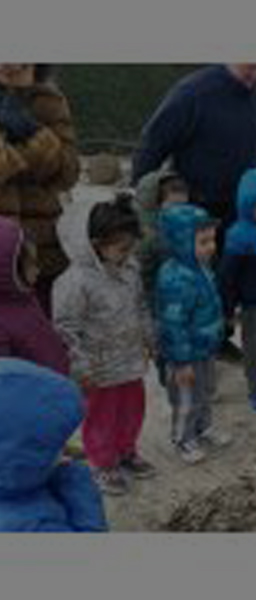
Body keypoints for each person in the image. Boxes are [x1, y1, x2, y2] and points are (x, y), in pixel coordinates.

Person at [132, 64, 256, 363]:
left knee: (234, 282)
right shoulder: (194, 94)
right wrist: (144, 205)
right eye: (248, 63)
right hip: (197, 211)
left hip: (239, 214)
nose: (254, 70)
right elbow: (153, 144)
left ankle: (223, 340)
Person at [53, 192, 157, 496]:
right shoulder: (75, 282)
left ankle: (126, 451)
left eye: (130, 247)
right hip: (98, 368)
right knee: (101, 416)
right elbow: (66, 329)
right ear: (96, 244)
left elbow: (140, 306)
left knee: (132, 409)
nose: (127, 253)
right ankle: (102, 462)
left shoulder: (130, 269)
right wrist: (81, 366)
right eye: (121, 248)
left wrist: (149, 337)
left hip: (130, 359)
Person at [0, 64, 81, 318]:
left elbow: (69, 172)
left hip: (44, 250)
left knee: (41, 329)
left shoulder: (50, 99)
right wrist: (36, 149)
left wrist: (34, 132)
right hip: (1, 247)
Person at [155, 204, 231, 465]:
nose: (211, 247)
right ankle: (183, 439)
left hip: (204, 346)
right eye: (203, 242)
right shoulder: (175, 279)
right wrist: (181, 362)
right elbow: (173, 325)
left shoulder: (201, 268)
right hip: (186, 355)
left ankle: (203, 426)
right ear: (181, 242)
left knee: (205, 392)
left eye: (212, 240)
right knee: (186, 398)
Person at [0, 358, 108, 532]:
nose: (65, 450)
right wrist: (77, 481)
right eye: (57, 445)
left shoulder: (16, 485)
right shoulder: (34, 526)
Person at [219, 168, 256, 416]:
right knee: (254, 351)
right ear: (246, 206)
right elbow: (228, 278)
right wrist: (227, 309)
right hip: (253, 306)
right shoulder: (239, 237)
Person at [0, 216, 69, 374]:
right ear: (7, 269)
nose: (38, 270)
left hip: (55, 382)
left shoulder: (26, 297)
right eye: (31, 264)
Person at [134, 170, 190, 308]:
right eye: (173, 207)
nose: (179, 212)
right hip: (155, 300)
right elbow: (140, 276)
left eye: (183, 207)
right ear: (156, 205)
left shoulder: (187, 228)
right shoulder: (147, 237)